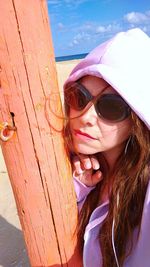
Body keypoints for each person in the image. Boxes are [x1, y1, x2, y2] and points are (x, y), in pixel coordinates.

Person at [63, 28, 150, 267]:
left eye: (111, 107)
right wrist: (78, 190)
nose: (86, 115)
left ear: (138, 120)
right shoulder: (80, 171)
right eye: (79, 97)